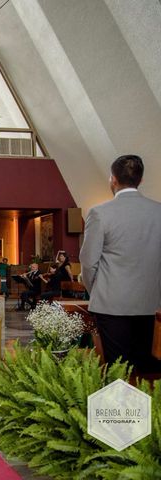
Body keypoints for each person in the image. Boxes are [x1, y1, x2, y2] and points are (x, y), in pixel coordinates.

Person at [80, 154, 161, 373]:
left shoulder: (99, 213)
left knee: (117, 373)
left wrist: (95, 290)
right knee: (147, 373)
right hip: (152, 306)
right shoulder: (158, 212)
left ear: (113, 179)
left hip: (111, 306)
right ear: (140, 180)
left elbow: (88, 263)